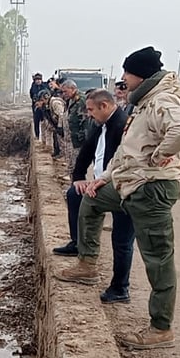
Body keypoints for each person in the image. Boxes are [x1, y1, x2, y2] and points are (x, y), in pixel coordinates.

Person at [56, 46, 180, 350]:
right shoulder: (144, 103)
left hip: (152, 188)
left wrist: (158, 157)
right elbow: (125, 151)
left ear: (139, 74)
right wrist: (103, 178)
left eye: (126, 73)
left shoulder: (163, 100)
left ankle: (161, 328)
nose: (123, 79)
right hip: (128, 183)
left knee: (158, 258)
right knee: (91, 200)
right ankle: (87, 265)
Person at [52, 89, 136, 304]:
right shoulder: (101, 124)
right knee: (75, 194)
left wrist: (105, 182)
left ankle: (120, 287)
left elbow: (125, 163)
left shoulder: (123, 126)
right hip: (102, 183)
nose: (88, 114)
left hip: (124, 186)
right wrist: (79, 177)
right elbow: (87, 150)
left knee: (122, 238)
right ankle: (79, 246)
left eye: (91, 110)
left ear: (104, 106)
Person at [59, 80, 90, 153]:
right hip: (73, 138)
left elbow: (86, 121)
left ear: (73, 89)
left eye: (65, 91)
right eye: (62, 92)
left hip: (80, 140)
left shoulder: (81, 101)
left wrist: (82, 136)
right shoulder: (70, 100)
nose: (64, 94)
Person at [30, 73, 48, 141]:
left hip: (44, 107)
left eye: (39, 79)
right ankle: (37, 136)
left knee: (44, 121)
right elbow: (32, 95)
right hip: (36, 107)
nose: (38, 81)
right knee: (36, 121)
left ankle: (44, 137)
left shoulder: (45, 86)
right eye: (36, 79)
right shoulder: (33, 87)